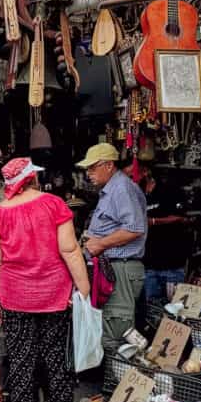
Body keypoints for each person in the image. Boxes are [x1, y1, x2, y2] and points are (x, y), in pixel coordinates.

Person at [0, 157, 90, 402]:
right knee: (56, 357)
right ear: (32, 179)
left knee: (20, 358)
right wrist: (83, 287)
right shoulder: (54, 204)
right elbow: (69, 249)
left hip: (15, 295)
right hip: (54, 294)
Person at [77, 144, 147, 349]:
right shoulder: (112, 190)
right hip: (115, 267)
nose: (88, 173)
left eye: (92, 167)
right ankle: (117, 379)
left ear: (108, 165)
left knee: (116, 331)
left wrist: (100, 243)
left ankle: (122, 381)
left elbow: (134, 228)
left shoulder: (121, 188)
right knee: (111, 328)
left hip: (122, 268)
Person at [137, 169, 193, 305]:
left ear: (146, 172)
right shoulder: (137, 193)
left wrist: (154, 221)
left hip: (172, 263)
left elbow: (181, 217)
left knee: (175, 308)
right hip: (149, 264)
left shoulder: (170, 190)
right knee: (151, 309)